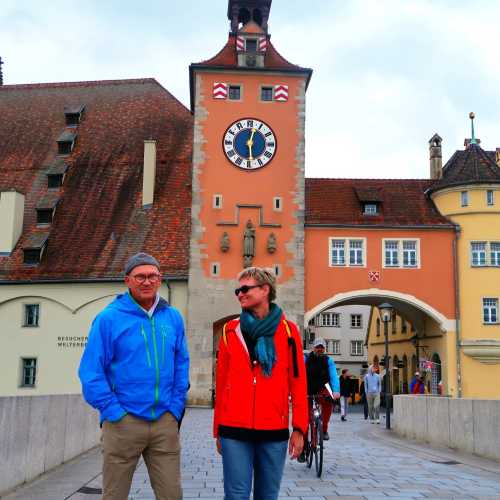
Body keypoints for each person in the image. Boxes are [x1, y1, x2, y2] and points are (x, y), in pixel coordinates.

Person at [79, 252, 190, 500]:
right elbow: (91, 372)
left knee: (172, 494)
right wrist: (113, 411)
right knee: (115, 495)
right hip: (123, 422)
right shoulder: (109, 318)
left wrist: (176, 407)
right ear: (127, 280)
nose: (147, 282)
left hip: (164, 420)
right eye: (140, 276)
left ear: (160, 279)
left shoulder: (172, 317)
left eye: (152, 276)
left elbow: (181, 363)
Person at [214, 267, 307, 500]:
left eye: (245, 289)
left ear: (265, 290)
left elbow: (298, 381)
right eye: (238, 290)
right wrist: (218, 431)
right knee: (236, 495)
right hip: (233, 429)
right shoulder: (229, 330)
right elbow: (222, 380)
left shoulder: (288, 331)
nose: (240, 294)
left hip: (273, 429)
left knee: (267, 495)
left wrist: (299, 428)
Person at [304, 338, 340, 440]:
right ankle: (304, 439)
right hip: (307, 388)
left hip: (322, 387)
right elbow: (299, 375)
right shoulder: (306, 358)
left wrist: (336, 391)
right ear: (313, 348)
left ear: (324, 349)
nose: (319, 349)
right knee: (305, 414)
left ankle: (324, 429)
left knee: (329, 400)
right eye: (317, 347)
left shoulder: (328, 360)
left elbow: (334, 376)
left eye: (322, 347)